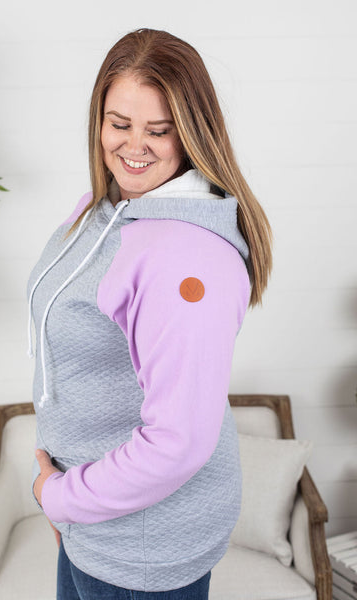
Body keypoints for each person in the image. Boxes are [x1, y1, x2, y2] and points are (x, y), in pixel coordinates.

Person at [27, 28, 272, 600]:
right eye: (119, 124)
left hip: (142, 546)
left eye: (158, 131)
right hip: (91, 522)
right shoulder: (107, 206)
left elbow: (177, 443)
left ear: (192, 133)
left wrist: (58, 496)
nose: (134, 146)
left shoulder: (187, 258)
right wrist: (68, 503)